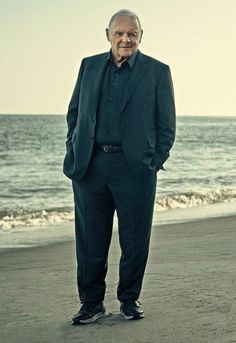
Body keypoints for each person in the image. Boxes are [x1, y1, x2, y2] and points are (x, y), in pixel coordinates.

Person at [63, 9, 176, 325]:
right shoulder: (89, 66)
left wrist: (153, 162)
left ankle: (129, 299)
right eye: (119, 33)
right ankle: (91, 303)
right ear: (108, 34)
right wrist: (73, 150)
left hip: (135, 170)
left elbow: (166, 125)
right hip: (90, 166)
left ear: (141, 36)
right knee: (90, 239)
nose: (126, 39)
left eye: (132, 34)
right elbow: (74, 114)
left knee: (135, 238)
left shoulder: (156, 72)